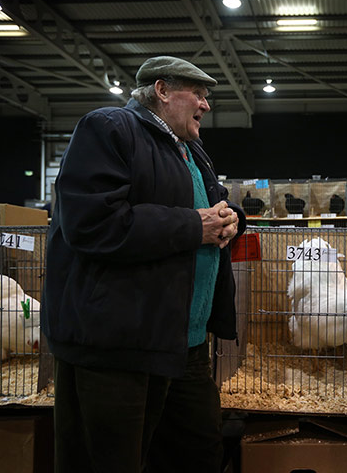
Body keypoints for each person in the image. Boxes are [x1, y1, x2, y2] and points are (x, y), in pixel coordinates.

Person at [41, 56, 246, 473]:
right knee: (110, 461)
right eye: (199, 94)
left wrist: (232, 220)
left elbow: (210, 205)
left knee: (198, 454)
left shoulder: (189, 149)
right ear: (162, 90)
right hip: (118, 347)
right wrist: (194, 226)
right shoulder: (110, 128)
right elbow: (93, 224)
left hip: (182, 344)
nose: (206, 105)